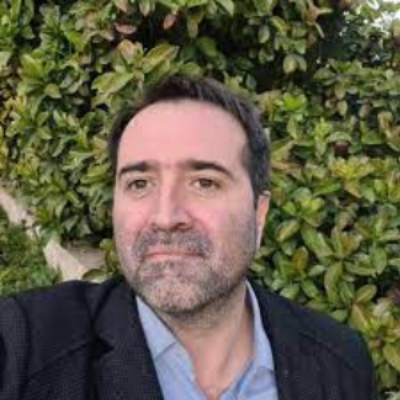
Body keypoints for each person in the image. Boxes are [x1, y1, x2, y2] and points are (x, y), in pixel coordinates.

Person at [0, 74, 376, 400]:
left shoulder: (342, 363)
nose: (166, 218)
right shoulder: (24, 345)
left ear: (259, 214)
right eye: (140, 183)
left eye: (204, 183)